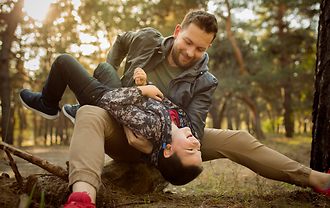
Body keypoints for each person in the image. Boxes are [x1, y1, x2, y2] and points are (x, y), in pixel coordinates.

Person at [24, 10, 330, 208]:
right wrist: (108, 74)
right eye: (187, 42)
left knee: (238, 137)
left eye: (200, 48)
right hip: (117, 126)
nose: (190, 52)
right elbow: (121, 40)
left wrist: (157, 147)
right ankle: (82, 205)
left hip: (173, 135)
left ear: (208, 47)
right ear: (177, 32)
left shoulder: (205, 80)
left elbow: (195, 131)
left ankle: (322, 181)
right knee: (90, 112)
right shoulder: (146, 41)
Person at [20, 55, 203, 186]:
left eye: (190, 149)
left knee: (63, 62)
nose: (195, 142)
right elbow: (156, 104)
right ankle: (82, 108)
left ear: (169, 150)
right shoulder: (183, 124)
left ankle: (47, 103)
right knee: (104, 68)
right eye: (198, 149)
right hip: (123, 98)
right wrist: (145, 85)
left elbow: (111, 101)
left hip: (108, 100)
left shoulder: (152, 129)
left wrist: (142, 92)